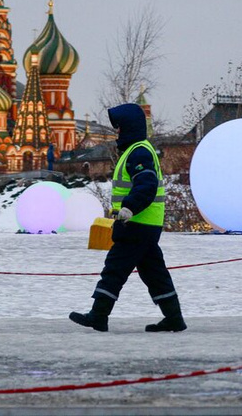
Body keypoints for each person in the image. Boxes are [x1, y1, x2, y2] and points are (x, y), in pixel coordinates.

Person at [69, 103, 186, 333]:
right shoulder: (138, 150)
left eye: (120, 128)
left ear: (129, 127)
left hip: (136, 224)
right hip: (146, 225)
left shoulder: (138, 152)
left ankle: (99, 315)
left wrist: (129, 208)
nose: (117, 134)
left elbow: (147, 183)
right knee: (154, 273)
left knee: (115, 268)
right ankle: (174, 317)